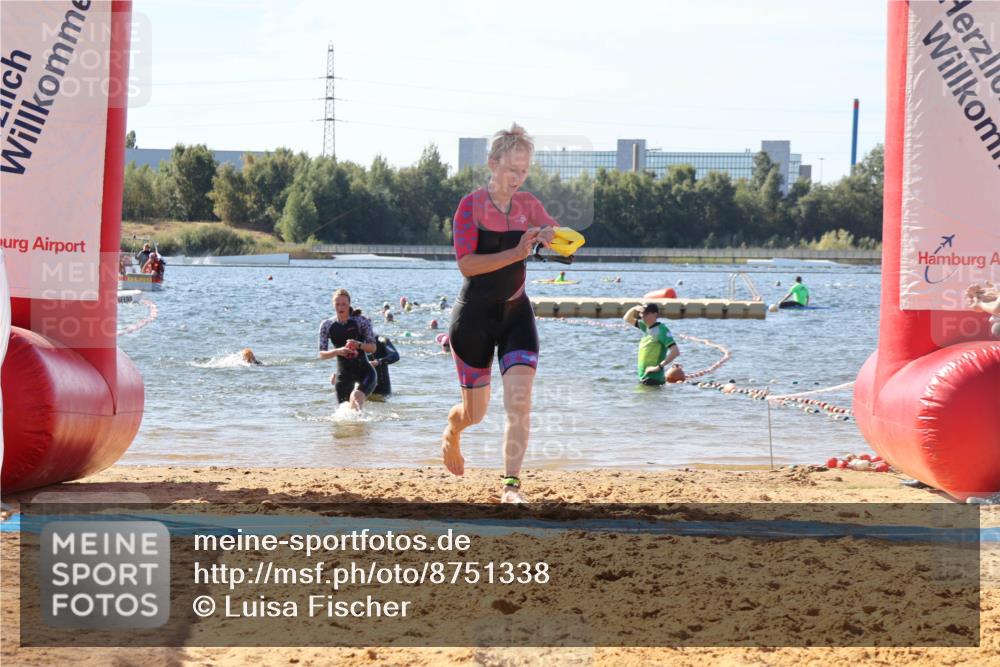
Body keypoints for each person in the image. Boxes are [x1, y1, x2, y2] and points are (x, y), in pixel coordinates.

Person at [443, 123, 558, 503]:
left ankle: (511, 485)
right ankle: (453, 430)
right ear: (493, 164)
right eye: (511, 170)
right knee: (475, 414)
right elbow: (467, 265)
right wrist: (515, 253)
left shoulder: (528, 204)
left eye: (523, 172)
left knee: (520, 403)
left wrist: (554, 238)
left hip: (516, 316)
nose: (517, 178)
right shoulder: (470, 206)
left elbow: (555, 232)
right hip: (473, 321)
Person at [318, 289, 377, 410]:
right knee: (344, 415)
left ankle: (360, 426)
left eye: (344, 304)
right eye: (337, 304)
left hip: (365, 373)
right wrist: (337, 351)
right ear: (333, 305)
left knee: (356, 397)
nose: (340, 307)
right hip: (343, 376)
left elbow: (373, 348)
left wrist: (358, 345)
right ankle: (358, 429)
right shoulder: (327, 325)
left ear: (349, 304)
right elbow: (322, 354)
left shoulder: (361, 321)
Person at [623, 303, 681, 386]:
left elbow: (675, 352)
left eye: (646, 313)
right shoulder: (646, 327)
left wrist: (658, 367)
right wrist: (634, 309)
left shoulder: (661, 330)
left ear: (655, 314)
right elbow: (627, 318)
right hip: (644, 376)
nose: (643, 316)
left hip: (653, 379)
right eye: (641, 313)